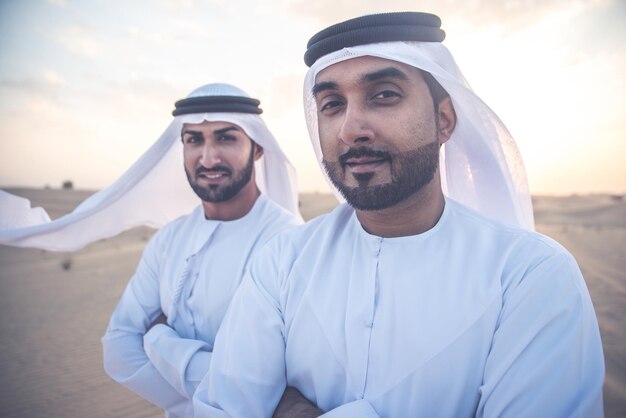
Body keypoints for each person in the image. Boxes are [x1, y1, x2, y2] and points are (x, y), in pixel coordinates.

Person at [193, 12, 605, 417]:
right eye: (332, 104)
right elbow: (220, 409)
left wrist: (290, 408)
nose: (350, 129)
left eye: (384, 94)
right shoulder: (282, 261)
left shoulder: (528, 274)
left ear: (444, 121)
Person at [101, 83, 303, 417]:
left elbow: (279, 381)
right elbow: (118, 347)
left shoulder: (287, 242)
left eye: (226, 138)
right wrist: (229, 398)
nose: (208, 157)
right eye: (194, 140)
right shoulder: (169, 239)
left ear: (257, 149)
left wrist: (158, 340)